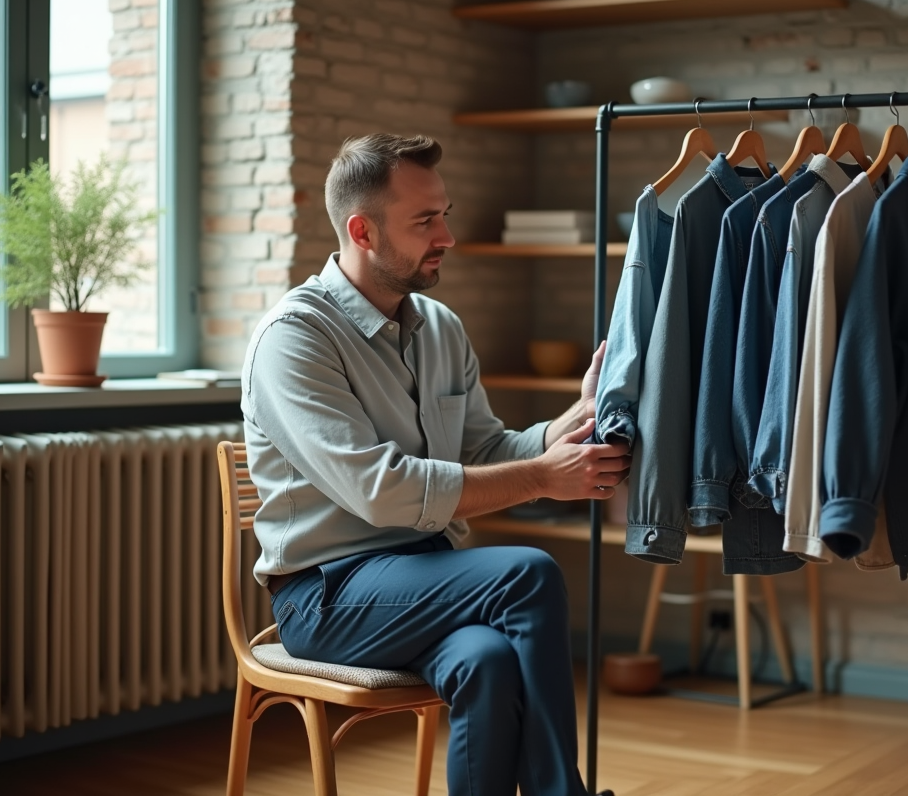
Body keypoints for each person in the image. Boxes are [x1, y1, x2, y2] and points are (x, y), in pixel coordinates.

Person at [240, 133, 629, 796]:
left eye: (444, 214)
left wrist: (574, 418)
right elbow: (380, 492)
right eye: (425, 221)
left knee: (487, 659)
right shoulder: (295, 338)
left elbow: (484, 450)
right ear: (362, 231)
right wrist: (543, 477)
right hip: (326, 596)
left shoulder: (441, 328)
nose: (447, 236)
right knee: (528, 573)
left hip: (426, 577)